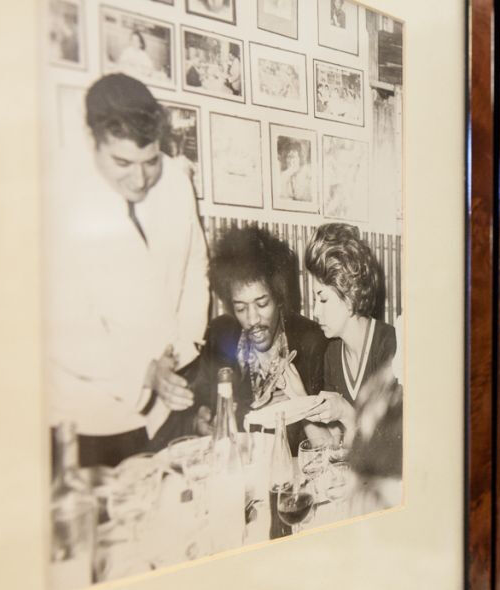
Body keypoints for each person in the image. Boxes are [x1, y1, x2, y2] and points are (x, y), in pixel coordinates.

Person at [46, 73, 209, 468]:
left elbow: (194, 272)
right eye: (122, 162)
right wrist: (144, 372)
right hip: (90, 414)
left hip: (168, 396)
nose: (140, 179)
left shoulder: (173, 180)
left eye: (149, 161)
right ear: (92, 141)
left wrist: (179, 350)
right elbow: (66, 326)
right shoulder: (58, 196)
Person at [188, 227, 329, 452]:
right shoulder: (220, 335)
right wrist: (198, 420)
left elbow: (323, 437)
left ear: (279, 298)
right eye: (241, 307)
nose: (252, 319)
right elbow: (198, 404)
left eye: (262, 304)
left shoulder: (312, 342)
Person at [302, 223, 398, 449]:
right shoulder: (332, 354)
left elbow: (391, 452)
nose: (316, 311)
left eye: (323, 299)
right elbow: (333, 445)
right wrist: (297, 394)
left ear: (350, 296)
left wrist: (345, 411)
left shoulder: (390, 346)